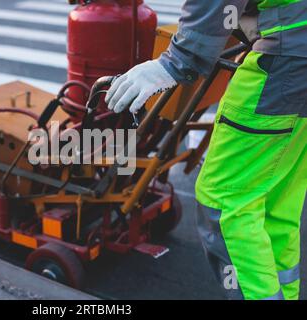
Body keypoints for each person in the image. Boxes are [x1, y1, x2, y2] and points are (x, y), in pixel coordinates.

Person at [105, 0, 306, 300]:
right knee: (275, 203)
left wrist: (173, 62)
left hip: (285, 61)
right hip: (297, 53)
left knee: (224, 202)